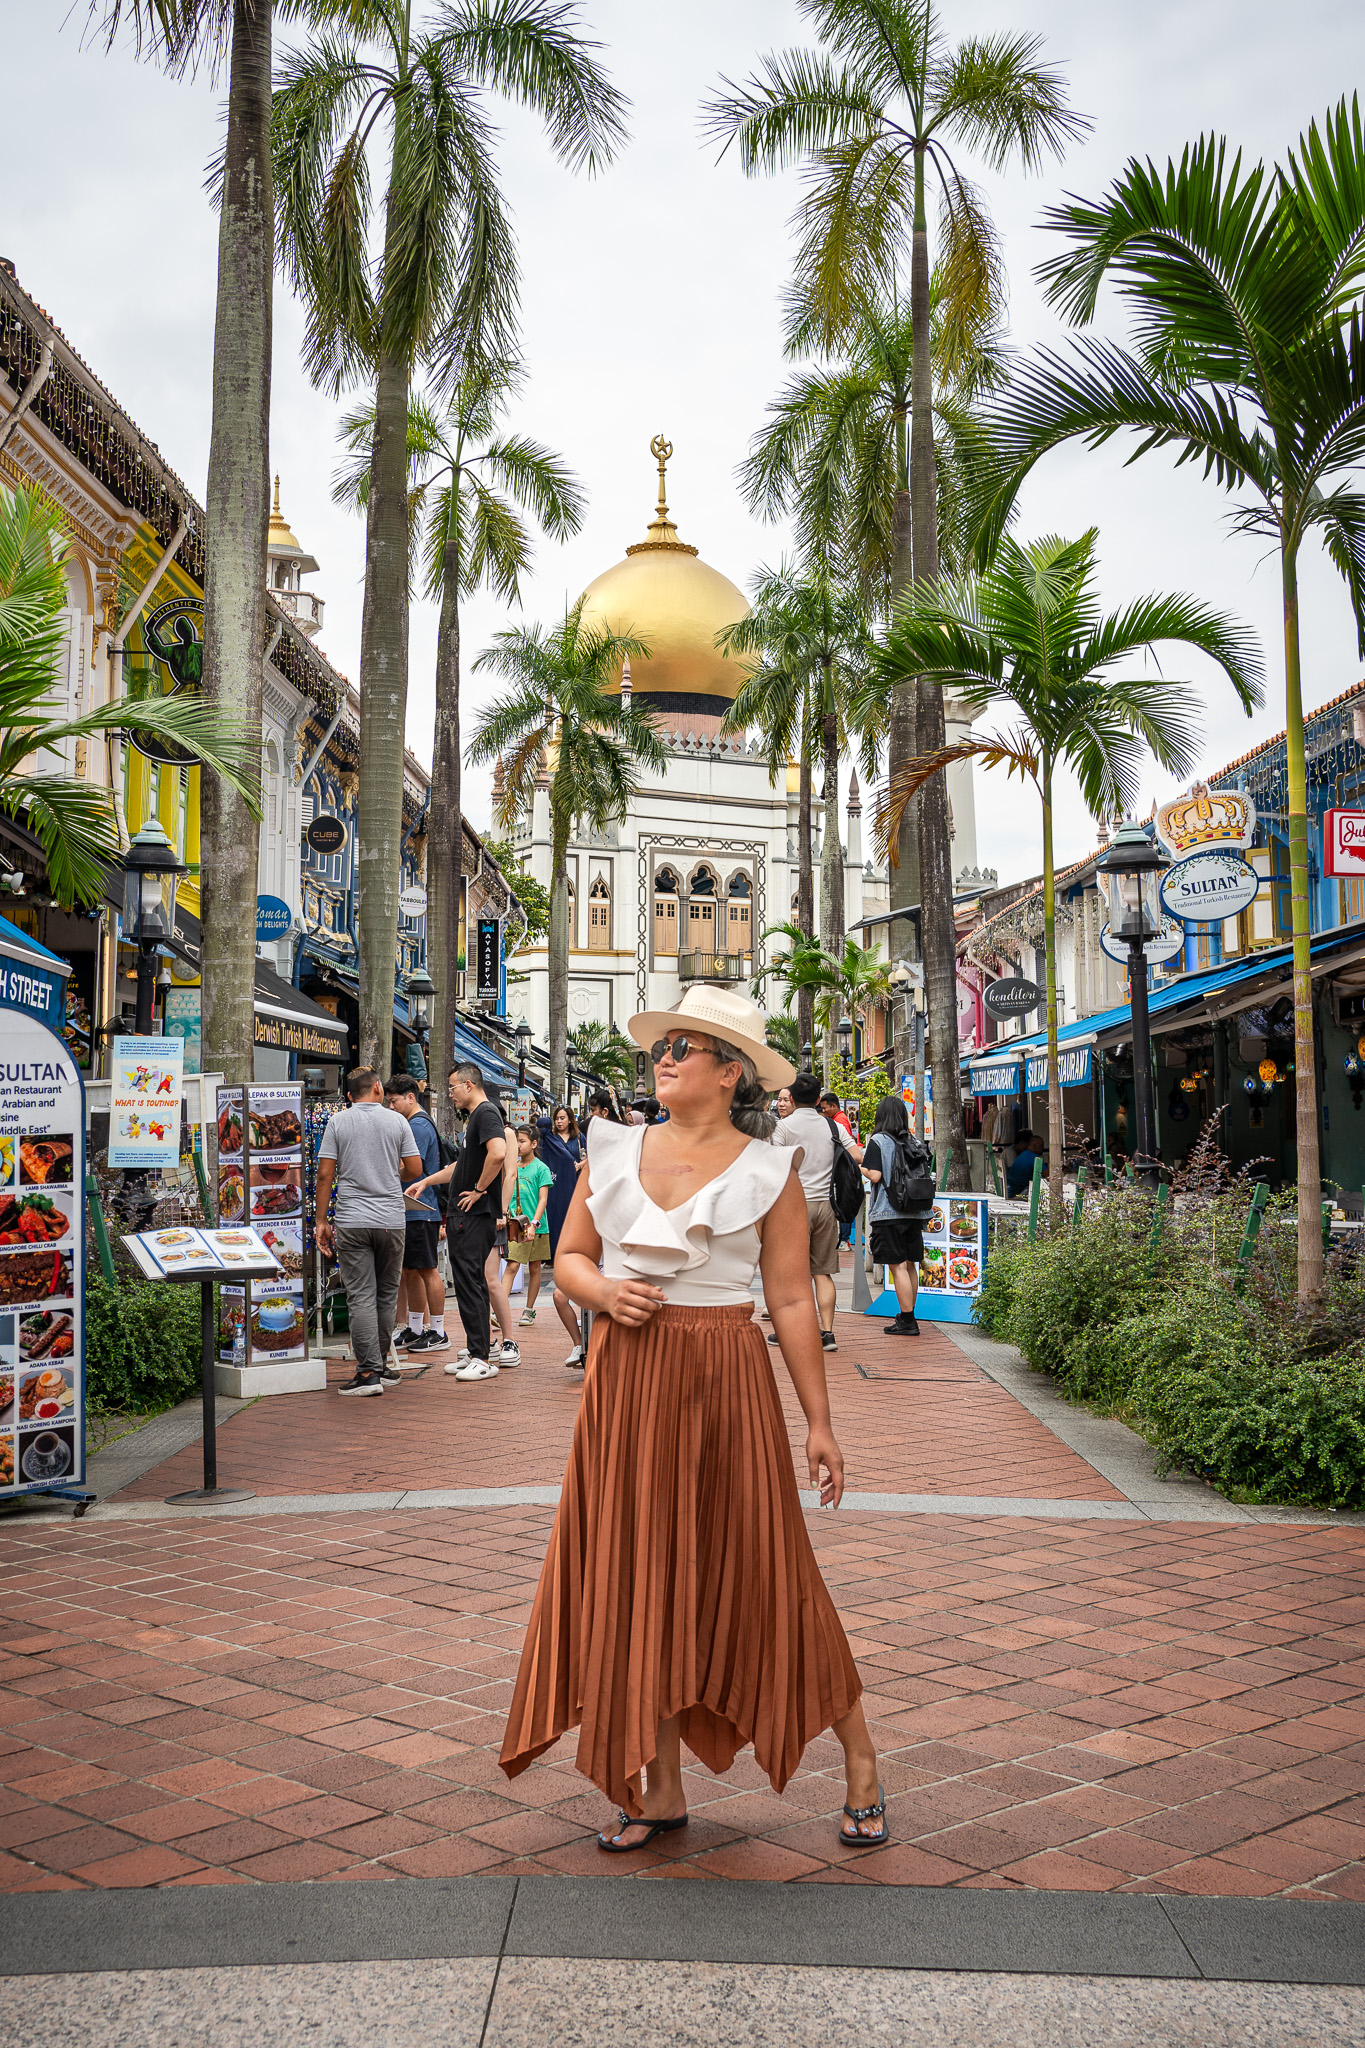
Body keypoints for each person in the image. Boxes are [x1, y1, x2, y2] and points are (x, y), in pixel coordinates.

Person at [500, 985, 887, 1854]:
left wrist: (818, 1426)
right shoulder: (610, 1148)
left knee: (767, 1573)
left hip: (725, 1377)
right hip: (627, 1382)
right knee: (640, 1576)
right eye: (663, 1044)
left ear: (730, 1072)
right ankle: (661, 1785)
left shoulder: (769, 1170)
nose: (664, 1056)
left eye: (686, 1045)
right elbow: (567, 1258)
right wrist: (602, 1292)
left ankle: (861, 1762)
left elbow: (790, 1300)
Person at [315, 1068, 423, 1396]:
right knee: (386, 1295)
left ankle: (368, 1373)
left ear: (349, 1095)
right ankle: (381, 1367)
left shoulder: (339, 1122)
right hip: (391, 1219)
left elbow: (324, 1174)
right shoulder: (397, 1121)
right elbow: (415, 1169)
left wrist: (321, 1221)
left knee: (360, 1295)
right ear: (377, 1088)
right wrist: (390, 1171)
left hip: (352, 1220)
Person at [408, 1062, 508, 1382]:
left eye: (452, 1087)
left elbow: (499, 1152)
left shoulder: (486, 1113)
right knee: (467, 1283)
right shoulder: (476, 1118)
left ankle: (481, 1356)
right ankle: (476, 1349)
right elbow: (460, 1166)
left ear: (468, 1085)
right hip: (466, 1213)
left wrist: (479, 1191)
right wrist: (427, 1182)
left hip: (474, 1215)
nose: (449, 1094)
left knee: (471, 1282)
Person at [770, 1071, 862, 1353]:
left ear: (793, 1099)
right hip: (827, 1206)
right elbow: (858, 1156)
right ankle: (827, 1334)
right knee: (823, 1272)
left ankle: (788, 1330)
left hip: (794, 1205)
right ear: (820, 1099)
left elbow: (774, 1166)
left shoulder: (783, 1127)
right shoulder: (833, 1127)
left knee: (790, 1273)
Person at [384, 1074, 449, 1355]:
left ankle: (438, 1330)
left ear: (411, 1097)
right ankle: (414, 1326)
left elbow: (412, 1167)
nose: (391, 1107)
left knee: (427, 1269)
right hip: (410, 1208)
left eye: (394, 1101)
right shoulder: (412, 1124)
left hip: (422, 1209)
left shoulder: (418, 1127)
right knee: (410, 1269)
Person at [861, 1094, 933, 1337]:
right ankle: (906, 1316)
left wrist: (859, 1164)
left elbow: (875, 1176)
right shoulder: (913, 1141)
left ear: (881, 1116)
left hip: (889, 1212)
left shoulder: (878, 1141)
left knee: (898, 1267)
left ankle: (908, 1321)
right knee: (911, 1265)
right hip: (914, 1211)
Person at [539, 1106, 588, 1366]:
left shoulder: (580, 1139)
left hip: (576, 1184)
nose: (559, 1122)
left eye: (563, 1117)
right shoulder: (549, 1136)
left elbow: (592, 1156)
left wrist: (583, 1163)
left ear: (571, 1119)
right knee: (557, 1218)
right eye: (557, 1118)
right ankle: (557, 1253)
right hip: (556, 1185)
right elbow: (542, 1123)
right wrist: (549, 1114)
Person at [507, 1125, 553, 1324]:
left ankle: (529, 1310)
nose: (518, 1145)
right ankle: (497, 1310)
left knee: (535, 1268)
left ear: (534, 1144)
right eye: (517, 1140)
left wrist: (534, 1223)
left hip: (537, 1227)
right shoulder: (511, 1167)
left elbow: (543, 1199)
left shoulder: (541, 1168)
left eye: (522, 1141)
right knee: (512, 1265)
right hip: (515, 1226)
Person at [1006, 1129, 1042, 1199]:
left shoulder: (1023, 1154)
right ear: (1021, 1143)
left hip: (1012, 1186)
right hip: (1014, 1189)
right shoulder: (1011, 1153)